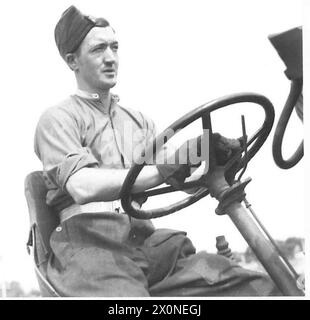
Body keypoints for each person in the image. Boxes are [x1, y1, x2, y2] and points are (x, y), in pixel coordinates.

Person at [34, 5, 280, 297]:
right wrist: (165, 169)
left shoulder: (139, 122)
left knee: (256, 287)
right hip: (89, 248)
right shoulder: (58, 119)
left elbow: (184, 178)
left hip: (145, 242)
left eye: (114, 47)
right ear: (72, 60)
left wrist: (211, 161)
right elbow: (82, 186)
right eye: (98, 49)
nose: (111, 57)